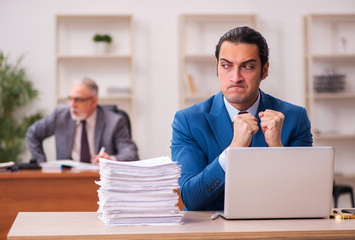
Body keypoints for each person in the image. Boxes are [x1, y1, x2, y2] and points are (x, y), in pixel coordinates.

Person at [171, 26, 313, 211]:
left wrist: (277, 149)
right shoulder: (188, 121)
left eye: (247, 67)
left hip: (277, 229)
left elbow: (305, 197)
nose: (235, 77)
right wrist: (232, 151)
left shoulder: (295, 118)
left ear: (264, 70)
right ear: (217, 68)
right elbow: (190, 199)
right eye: (226, 65)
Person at [26, 77, 139, 163]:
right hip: (67, 180)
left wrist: (111, 159)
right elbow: (33, 133)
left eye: (78, 100)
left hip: (99, 180)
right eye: (70, 99)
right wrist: (41, 165)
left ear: (94, 101)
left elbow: (131, 153)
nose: (72, 105)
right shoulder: (60, 115)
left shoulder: (115, 122)